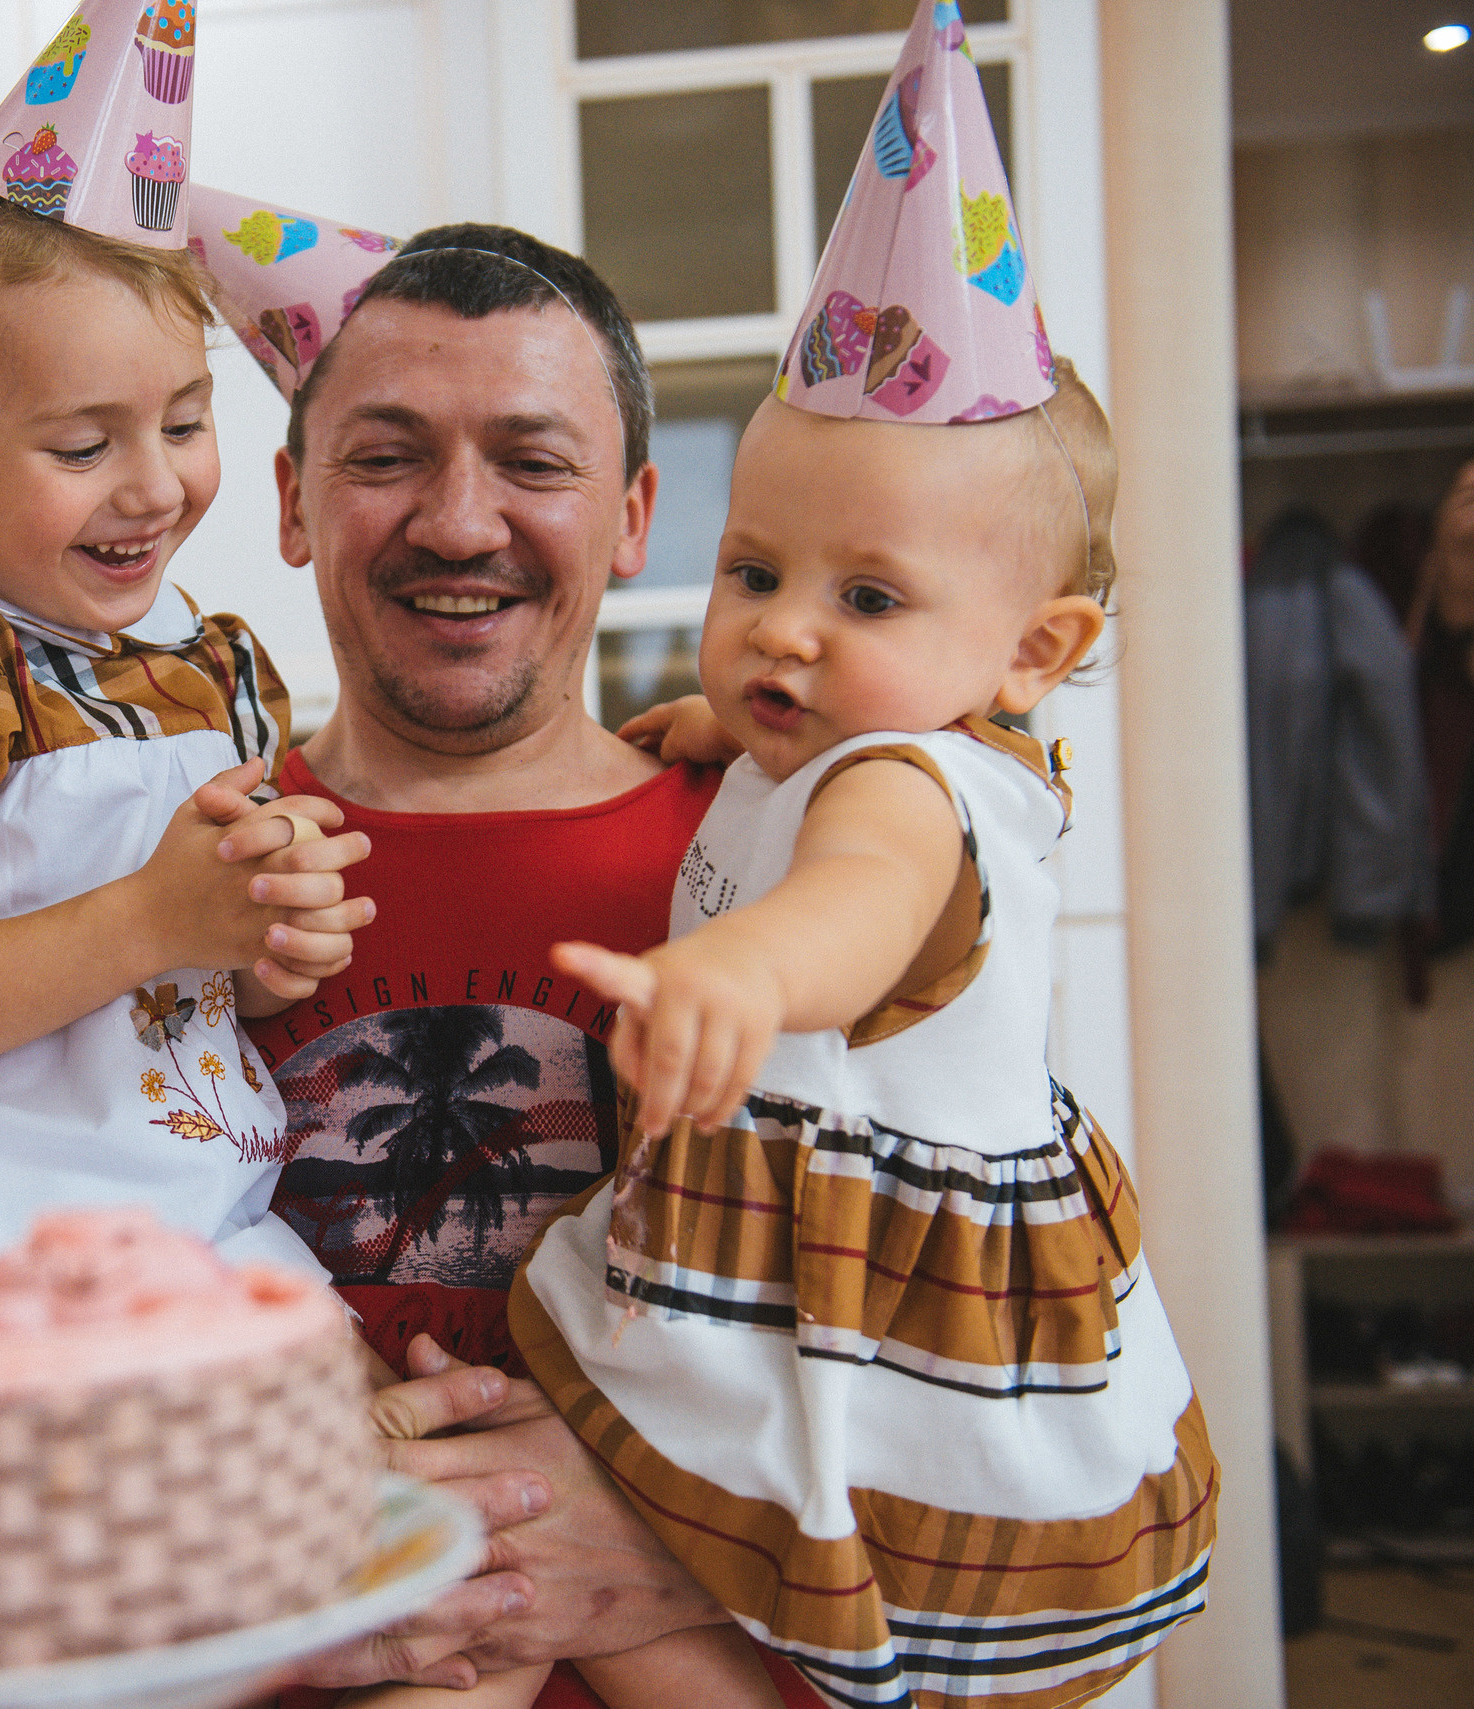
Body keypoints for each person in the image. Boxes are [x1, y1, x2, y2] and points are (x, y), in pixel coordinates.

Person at [506, 7, 1219, 1702]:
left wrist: (730, 972)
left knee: (740, 1582)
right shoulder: (833, 739)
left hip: (886, 1311)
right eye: (757, 571)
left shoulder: (911, 785)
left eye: (869, 596)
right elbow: (786, 780)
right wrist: (706, 729)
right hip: (825, 1248)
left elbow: (854, 906)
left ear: (1033, 648)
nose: (786, 635)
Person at [222, 217, 810, 1709]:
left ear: (632, 514)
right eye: (387, 456)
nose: (461, 522)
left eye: (534, 461)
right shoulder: (175, 878)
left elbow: (969, 1392)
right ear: (294, 501)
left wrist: (687, 1547)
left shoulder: (790, 885)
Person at [0, 134, 372, 1276]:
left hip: (211, 1225)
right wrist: (152, 917)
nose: (154, 485)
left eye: (186, 423)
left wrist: (269, 922)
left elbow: (205, 989)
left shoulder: (213, 669)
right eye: (84, 444)